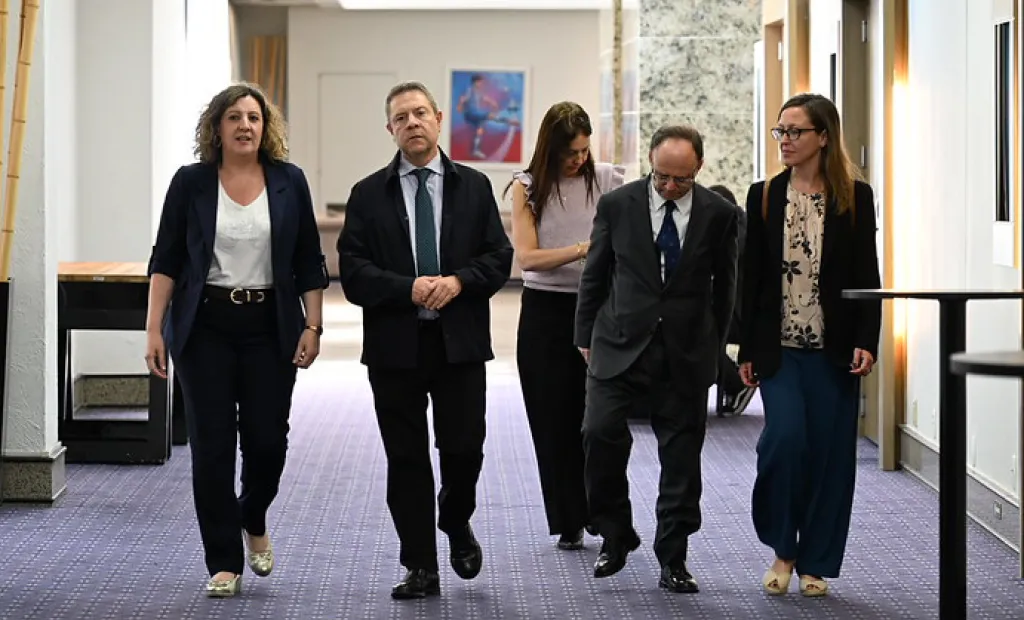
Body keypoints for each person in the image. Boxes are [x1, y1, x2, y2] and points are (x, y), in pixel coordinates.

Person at [145, 82, 329, 597]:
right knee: (212, 446)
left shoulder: (289, 181)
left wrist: (313, 325)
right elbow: (166, 258)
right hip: (205, 326)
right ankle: (224, 561)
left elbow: (309, 258)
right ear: (217, 128)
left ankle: (253, 513)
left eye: (254, 117)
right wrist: (154, 327)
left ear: (265, 127)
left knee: (267, 442)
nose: (245, 125)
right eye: (234, 117)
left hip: (270, 326)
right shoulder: (191, 183)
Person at [337, 81, 513, 600]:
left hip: (459, 344)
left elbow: (498, 258)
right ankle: (419, 564)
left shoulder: (473, 186)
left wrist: (458, 282)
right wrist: (407, 289)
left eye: (419, 113)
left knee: (465, 449)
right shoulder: (368, 194)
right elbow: (353, 272)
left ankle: (455, 519)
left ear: (438, 118)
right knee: (406, 458)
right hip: (395, 347)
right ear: (389, 129)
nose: (411, 123)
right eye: (401, 117)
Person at [575, 125, 738, 593]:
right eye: (662, 176)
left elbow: (726, 288)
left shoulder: (720, 214)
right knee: (598, 432)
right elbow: (596, 273)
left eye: (681, 180)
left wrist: (715, 348)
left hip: (685, 350)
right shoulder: (617, 204)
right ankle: (615, 533)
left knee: (681, 458)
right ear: (650, 161)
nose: (669, 186)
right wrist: (584, 335)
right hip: (618, 340)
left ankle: (674, 556)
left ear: (698, 168)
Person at [738, 93, 881, 597]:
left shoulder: (854, 197)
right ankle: (783, 549)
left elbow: (867, 273)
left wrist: (868, 339)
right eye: (780, 130)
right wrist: (745, 348)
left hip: (834, 348)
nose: (785, 140)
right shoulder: (763, 195)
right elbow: (751, 277)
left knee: (829, 455)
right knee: (785, 441)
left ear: (823, 136)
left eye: (795, 131)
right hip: (779, 347)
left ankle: (815, 561)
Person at [505, 101, 625, 551]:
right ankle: (568, 517)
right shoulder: (528, 186)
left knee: (597, 422)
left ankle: (601, 511)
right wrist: (585, 248)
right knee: (552, 420)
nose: (579, 159)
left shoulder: (609, 179)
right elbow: (528, 258)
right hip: (545, 313)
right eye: (569, 153)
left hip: (597, 310)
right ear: (550, 149)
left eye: (584, 150)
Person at [707, 184, 756, 416]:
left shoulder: (740, 234)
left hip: (739, 315)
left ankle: (735, 384)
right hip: (725, 310)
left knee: (698, 335)